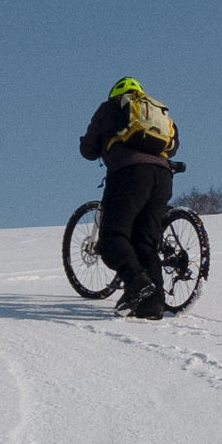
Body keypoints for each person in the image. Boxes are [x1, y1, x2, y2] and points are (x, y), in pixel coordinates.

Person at [79, 77, 179, 319]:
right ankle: (153, 304)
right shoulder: (156, 109)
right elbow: (173, 147)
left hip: (128, 174)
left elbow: (88, 149)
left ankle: (137, 283)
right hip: (163, 176)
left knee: (112, 238)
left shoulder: (109, 106)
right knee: (144, 241)